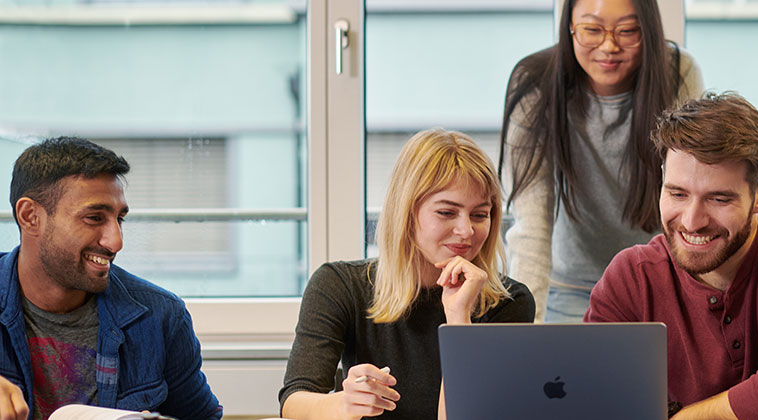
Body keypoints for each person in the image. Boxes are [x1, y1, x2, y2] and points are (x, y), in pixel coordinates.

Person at [585, 92, 758, 420]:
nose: (692, 221)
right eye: (677, 194)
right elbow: (592, 400)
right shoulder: (631, 278)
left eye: (718, 199)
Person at [278, 129, 534, 420]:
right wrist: (343, 404)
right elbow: (294, 401)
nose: (466, 231)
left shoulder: (510, 301)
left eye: (479, 215)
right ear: (407, 213)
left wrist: (458, 322)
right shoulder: (339, 285)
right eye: (447, 213)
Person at [500, 0, 704, 322]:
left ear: (649, 30)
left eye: (627, 31)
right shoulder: (535, 83)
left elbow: (691, 192)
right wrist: (527, 327)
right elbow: (531, 224)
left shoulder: (677, 72)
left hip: (657, 283)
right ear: (569, 27)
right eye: (591, 30)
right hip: (569, 287)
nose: (609, 46)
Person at [0, 137, 222, 420]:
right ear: (30, 216)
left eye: (119, 219)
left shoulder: (161, 316)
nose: (115, 242)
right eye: (94, 218)